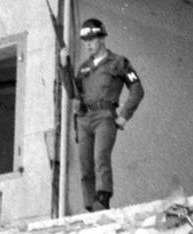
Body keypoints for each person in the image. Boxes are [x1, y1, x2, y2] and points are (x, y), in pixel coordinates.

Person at [60, 18, 144, 212]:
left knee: (100, 158)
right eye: (86, 41)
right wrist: (64, 67)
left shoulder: (119, 62)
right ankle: (90, 206)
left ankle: (103, 198)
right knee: (85, 165)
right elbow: (73, 93)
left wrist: (123, 116)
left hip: (105, 116)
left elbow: (137, 89)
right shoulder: (83, 68)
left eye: (92, 39)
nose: (88, 44)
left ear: (102, 39)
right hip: (84, 119)